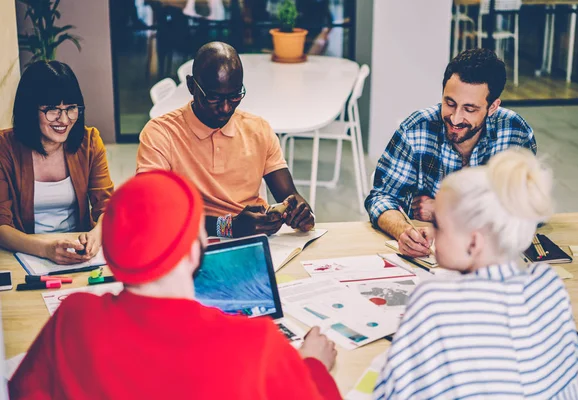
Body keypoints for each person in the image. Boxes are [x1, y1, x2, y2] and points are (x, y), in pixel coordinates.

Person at [9, 171, 342, 399]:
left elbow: (23, 390)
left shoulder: (73, 319)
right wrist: (312, 365)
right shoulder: (256, 343)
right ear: (196, 249)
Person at [373, 148, 578, 400]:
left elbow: (389, 395)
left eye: (438, 224)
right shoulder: (549, 286)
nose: (430, 231)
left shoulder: (434, 302)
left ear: (474, 243)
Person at [365, 48, 537, 258]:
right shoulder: (416, 129)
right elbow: (382, 197)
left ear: (492, 107)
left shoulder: (516, 133)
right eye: (450, 103)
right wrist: (403, 231)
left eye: (470, 109)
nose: (455, 119)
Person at [137, 41, 314, 238]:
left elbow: (289, 195)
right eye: (214, 98)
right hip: (190, 243)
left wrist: (301, 212)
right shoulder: (161, 134)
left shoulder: (258, 129)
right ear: (191, 86)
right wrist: (227, 227)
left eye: (235, 96)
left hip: (255, 241)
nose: (226, 108)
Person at [0, 61, 113, 264]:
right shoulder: (5, 147)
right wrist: (46, 249)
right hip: (24, 254)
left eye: (71, 108)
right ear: (30, 110)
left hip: (76, 252)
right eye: (52, 110)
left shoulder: (89, 141)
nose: (64, 120)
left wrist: (96, 236)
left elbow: (107, 209)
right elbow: (1, 225)